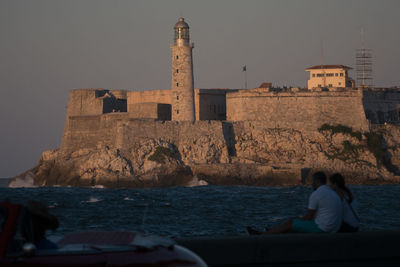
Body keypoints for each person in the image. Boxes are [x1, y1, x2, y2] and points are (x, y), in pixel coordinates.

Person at [247, 171, 343, 234]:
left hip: (324, 229)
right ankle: (272, 232)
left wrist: (297, 221)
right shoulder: (332, 193)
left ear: (317, 181)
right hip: (334, 228)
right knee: (295, 224)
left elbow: (308, 217)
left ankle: (264, 235)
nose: (312, 183)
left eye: (313, 181)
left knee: (291, 223)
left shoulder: (317, 193)